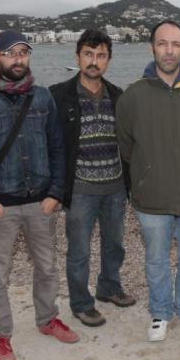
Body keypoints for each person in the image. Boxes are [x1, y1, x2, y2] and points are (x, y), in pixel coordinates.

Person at [0, 30, 78, 360]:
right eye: (10, 53)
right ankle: (0, 335)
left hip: (40, 202)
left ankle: (47, 319)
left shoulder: (43, 97)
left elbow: (58, 147)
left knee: (47, 267)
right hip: (0, 206)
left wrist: (56, 193)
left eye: (23, 53)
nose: (18, 59)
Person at [116, 20, 180, 341]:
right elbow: (126, 146)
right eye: (163, 44)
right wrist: (148, 173)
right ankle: (161, 312)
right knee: (156, 260)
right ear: (152, 47)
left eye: (175, 44)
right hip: (152, 198)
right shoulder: (133, 96)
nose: (169, 51)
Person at [50, 29, 135, 328]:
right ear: (77, 57)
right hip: (80, 188)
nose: (94, 61)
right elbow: (52, 143)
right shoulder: (59, 96)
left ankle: (109, 287)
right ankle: (81, 303)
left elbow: (130, 142)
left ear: (108, 60)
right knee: (79, 251)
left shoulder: (119, 96)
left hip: (115, 186)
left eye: (101, 55)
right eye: (88, 54)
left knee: (115, 244)